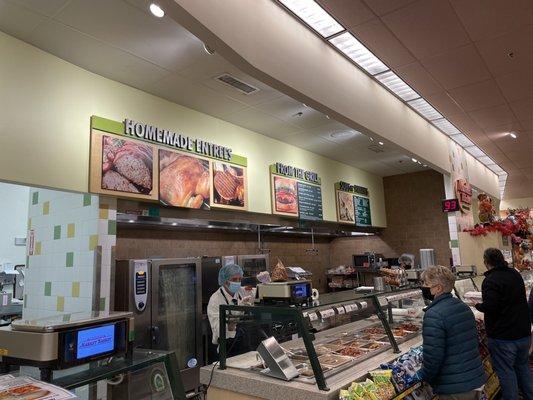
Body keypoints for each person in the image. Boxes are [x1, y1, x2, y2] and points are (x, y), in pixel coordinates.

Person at [418, 266, 485, 399]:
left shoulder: (434, 314)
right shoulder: (463, 307)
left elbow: (433, 357)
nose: (423, 287)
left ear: (438, 288)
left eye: (426, 284)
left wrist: (423, 376)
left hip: (455, 387)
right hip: (474, 378)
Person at [475, 248, 533, 400]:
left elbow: (491, 307)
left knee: (506, 372)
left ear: (486, 262)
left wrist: (478, 306)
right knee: (523, 367)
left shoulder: (491, 280)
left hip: (504, 337)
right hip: (524, 333)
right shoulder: (514, 274)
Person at [207, 263, 249, 358]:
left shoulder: (241, 292)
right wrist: (236, 315)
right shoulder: (215, 300)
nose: (238, 282)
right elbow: (220, 331)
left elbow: (259, 293)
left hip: (243, 344)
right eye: (234, 279)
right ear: (225, 281)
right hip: (227, 348)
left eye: (240, 279)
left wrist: (265, 282)